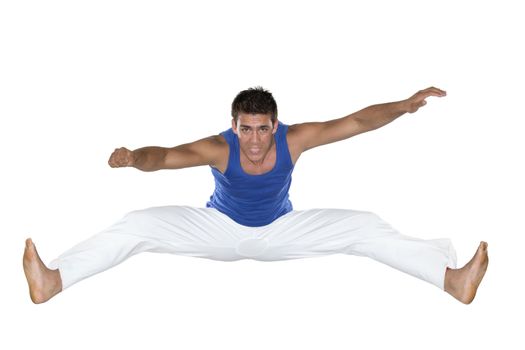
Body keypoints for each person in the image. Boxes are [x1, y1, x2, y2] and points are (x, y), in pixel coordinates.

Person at [23, 86, 488, 305]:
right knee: (138, 223)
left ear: (275, 125)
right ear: (235, 126)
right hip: (217, 229)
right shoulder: (218, 148)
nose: (254, 140)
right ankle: (54, 282)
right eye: (246, 129)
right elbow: (164, 157)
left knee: (364, 226)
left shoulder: (296, 138)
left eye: (263, 129)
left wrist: (403, 107)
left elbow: (357, 122)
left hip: (283, 230)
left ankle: (450, 280)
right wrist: (133, 157)